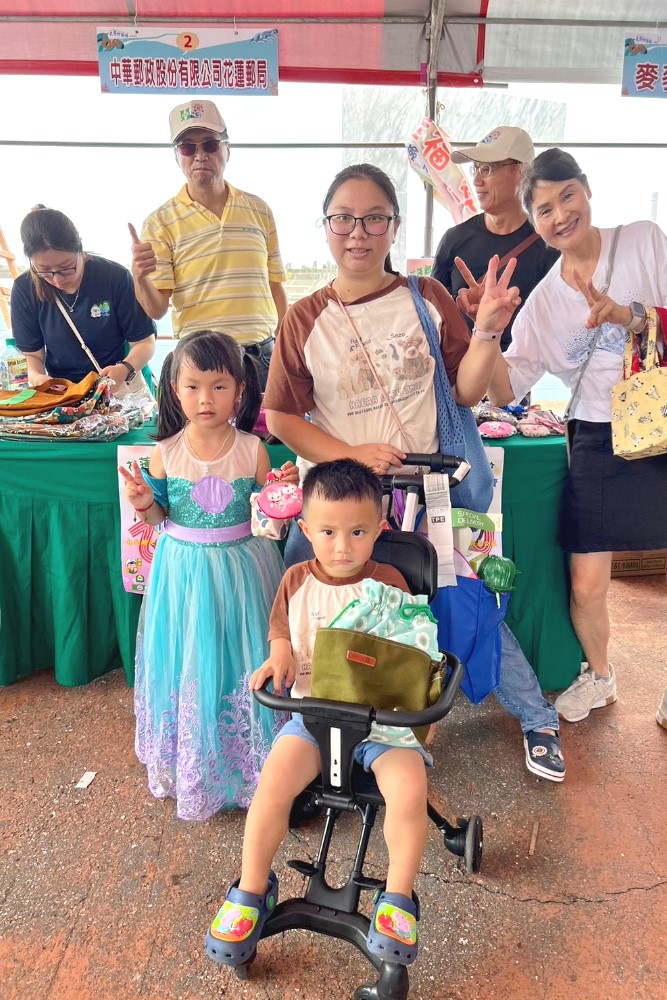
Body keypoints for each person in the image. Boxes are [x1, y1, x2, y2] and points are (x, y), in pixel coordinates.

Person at [261, 163, 565, 782]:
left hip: (435, 494)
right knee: (319, 604)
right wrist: (350, 453)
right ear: (325, 227)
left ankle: (537, 718)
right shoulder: (303, 318)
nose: (358, 231)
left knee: (463, 602)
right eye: (343, 217)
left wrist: (485, 333)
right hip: (343, 503)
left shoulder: (425, 297)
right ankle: (318, 738)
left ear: (394, 226)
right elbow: (280, 417)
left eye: (374, 217)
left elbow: (465, 390)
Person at [206, 459, 427, 968]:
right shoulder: (295, 580)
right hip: (312, 717)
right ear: (305, 530)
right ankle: (253, 887)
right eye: (327, 532)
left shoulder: (392, 583)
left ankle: (397, 896)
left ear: (380, 529)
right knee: (272, 786)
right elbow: (282, 631)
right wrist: (279, 650)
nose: (342, 546)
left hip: (382, 722)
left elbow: (414, 650)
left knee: (409, 790)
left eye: (357, 532)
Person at [486, 148, 667, 723]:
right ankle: (602, 675)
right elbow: (504, 387)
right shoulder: (541, 301)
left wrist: (630, 317)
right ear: (534, 223)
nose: (560, 214)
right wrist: (484, 332)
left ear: (586, 190)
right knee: (587, 582)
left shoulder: (642, 240)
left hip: (662, 417)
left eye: (567, 196)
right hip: (594, 432)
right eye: (543, 209)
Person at [119, 330, 296, 820]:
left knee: (242, 653)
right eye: (192, 386)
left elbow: (271, 518)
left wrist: (281, 494)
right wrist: (145, 502)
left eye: (218, 386)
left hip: (245, 568)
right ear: (174, 388)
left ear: (240, 389)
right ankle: (200, 764)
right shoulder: (165, 452)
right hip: (183, 571)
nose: (205, 399)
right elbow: (158, 519)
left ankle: (257, 765)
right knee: (192, 656)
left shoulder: (254, 449)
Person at [129, 99, 287, 388]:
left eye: (210, 144)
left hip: (262, 359)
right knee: (203, 436)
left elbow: (276, 286)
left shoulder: (260, 209)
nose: (199, 155)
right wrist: (139, 277)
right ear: (177, 157)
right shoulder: (159, 222)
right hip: (201, 363)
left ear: (228, 149)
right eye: (188, 148)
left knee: (265, 434)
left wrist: (285, 351)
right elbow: (156, 309)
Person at [432, 126, 558, 351]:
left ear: (522, 172)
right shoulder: (454, 240)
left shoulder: (548, 247)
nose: (477, 180)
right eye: (476, 169)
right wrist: (460, 308)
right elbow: (431, 314)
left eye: (487, 169)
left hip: (514, 377)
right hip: (456, 373)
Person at [11, 207, 156, 390]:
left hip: (117, 386)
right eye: (45, 271)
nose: (57, 279)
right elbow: (33, 357)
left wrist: (124, 368)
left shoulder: (114, 277)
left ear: (80, 248)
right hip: (65, 393)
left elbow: (145, 342)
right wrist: (41, 380)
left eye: (66, 267)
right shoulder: (25, 289)